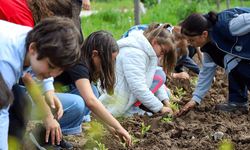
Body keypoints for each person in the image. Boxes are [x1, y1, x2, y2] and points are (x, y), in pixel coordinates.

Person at [28, 30, 131, 147]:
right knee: (77, 103)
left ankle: (53, 135)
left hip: (45, 98)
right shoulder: (77, 63)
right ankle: (42, 136)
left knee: (92, 90)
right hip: (28, 97)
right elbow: (90, 102)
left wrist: (110, 126)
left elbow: (90, 105)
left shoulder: (82, 60)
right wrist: (119, 126)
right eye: (108, 61)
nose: (109, 65)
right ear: (94, 54)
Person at [0, 0, 75, 148]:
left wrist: (49, 90)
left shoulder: (30, 38)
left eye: (59, 70)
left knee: (18, 103)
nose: (53, 75)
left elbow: (36, 63)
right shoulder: (6, 63)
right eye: (51, 66)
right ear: (33, 48)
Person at [179, 7, 250, 115]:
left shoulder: (231, 25)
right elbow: (206, 70)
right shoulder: (209, 46)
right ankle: (238, 102)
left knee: (240, 65)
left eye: (192, 40)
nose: (190, 44)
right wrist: (195, 99)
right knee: (230, 60)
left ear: (204, 34)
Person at [99, 23, 177, 118]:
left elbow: (151, 78)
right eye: (163, 51)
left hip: (124, 93)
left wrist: (166, 102)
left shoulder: (146, 51)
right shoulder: (135, 54)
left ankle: (134, 107)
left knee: (161, 78)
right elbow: (139, 87)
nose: (162, 55)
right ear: (155, 42)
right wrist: (160, 108)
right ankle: (131, 109)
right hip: (116, 100)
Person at [121, 23, 201, 80]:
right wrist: (174, 75)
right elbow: (144, 78)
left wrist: (200, 71)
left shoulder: (162, 43)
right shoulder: (148, 48)